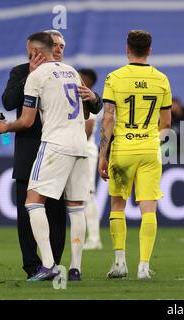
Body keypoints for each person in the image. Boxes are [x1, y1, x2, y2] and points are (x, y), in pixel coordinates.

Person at [0, 32, 90, 281]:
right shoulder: (71, 71)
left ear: (35, 49)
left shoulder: (38, 75)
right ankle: (74, 268)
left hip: (54, 145)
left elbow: (26, 120)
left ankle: (49, 264)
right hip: (79, 144)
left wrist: (6, 128)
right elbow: (85, 113)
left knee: (34, 204)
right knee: (76, 207)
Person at [99, 30, 172, 280]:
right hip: (150, 151)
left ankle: (120, 263)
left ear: (127, 48)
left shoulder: (114, 78)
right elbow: (167, 122)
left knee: (117, 206)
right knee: (148, 208)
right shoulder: (161, 79)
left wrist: (102, 154)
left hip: (122, 151)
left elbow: (108, 117)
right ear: (149, 50)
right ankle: (143, 266)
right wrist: (149, 138)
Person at [78, 68, 103, 250]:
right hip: (75, 149)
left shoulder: (89, 99)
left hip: (84, 151)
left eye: (81, 78)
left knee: (88, 194)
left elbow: (87, 131)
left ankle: (94, 238)